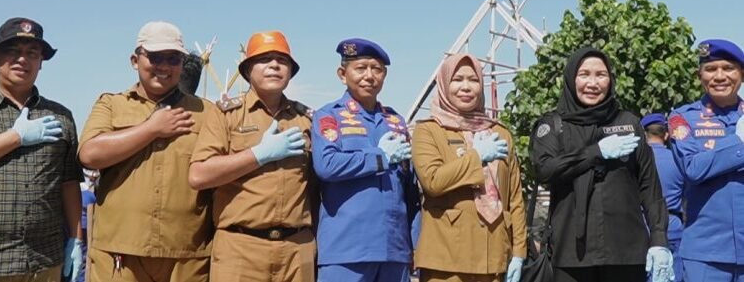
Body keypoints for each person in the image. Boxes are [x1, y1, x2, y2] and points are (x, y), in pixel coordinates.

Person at [78, 21, 213, 282]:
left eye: (173, 58)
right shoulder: (111, 105)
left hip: (186, 254)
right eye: (155, 57)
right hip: (120, 252)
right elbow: (90, 154)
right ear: (134, 60)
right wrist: (151, 129)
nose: (163, 66)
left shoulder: (207, 113)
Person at [528, 47, 672, 282]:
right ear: (571, 78)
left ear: (611, 80)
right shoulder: (554, 125)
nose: (593, 83)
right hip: (570, 256)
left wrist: (659, 241)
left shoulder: (628, 123)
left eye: (601, 75)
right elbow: (545, 169)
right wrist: (595, 153)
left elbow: (650, 188)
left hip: (626, 254)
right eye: (584, 74)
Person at [189, 31, 316, 282]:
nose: (274, 65)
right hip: (240, 248)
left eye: (282, 60)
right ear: (247, 70)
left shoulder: (306, 119)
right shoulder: (227, 114)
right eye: (264, 59)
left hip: (296, 249)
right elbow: (199, 175)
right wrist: (258, 155)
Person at [0, 17, 83, 281]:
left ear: (41, 62)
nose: (23, 60)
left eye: (32, 53)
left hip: (44, 261)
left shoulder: (60, 116)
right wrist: (15, 137)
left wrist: (76, 238)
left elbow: (69, 182)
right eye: (13, 51)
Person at [412, 53, 527, 282]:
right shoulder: (429, 131)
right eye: (458, 80)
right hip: (446, 258)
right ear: (444, 84)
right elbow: (432, 181)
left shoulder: (500, 133)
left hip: (494, 256)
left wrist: (519, 252)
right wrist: (477, 157)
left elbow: (514, 198)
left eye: (473, 80)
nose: (466, 87)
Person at [312, 38, 417, 282]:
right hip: (346, 250)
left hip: (394, 250)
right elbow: (326, 165)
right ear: (342, 74)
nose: (369, 76)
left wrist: (414, 241)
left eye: (376, 69)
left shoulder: (396, 121)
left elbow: (409, 189)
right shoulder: (329, 116)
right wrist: (379, 158)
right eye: (361, 68)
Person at [668, 39, 744, 281]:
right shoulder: (682, 118)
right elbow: (694, 168)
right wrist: (739, 143)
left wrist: (717, 158)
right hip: (705, 255)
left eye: (728, 68)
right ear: (700, 75)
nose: (719, 76)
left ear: (742, 74)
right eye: (711, 69)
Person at [641, 113, 684, 282]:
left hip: (644, 225)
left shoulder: (635, 162)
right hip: (673, 225)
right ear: (666, 135)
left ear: (644, 135)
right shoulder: (678, 160)